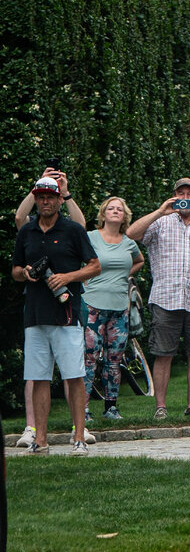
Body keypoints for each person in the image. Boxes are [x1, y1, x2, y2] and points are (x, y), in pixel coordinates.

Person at [12, 176, 101, 455]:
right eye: (40, 197)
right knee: (38, 378)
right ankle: (41, 439)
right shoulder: (26, 232)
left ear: (60, 199)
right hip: (35, 315)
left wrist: (68, 276)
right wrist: (24, 272)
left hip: (66, 313)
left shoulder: (73, 229)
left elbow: (95, 266)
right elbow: (14, 270)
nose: (45, 202)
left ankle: (78, 438)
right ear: (35, 199)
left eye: (50, 197)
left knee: (73, 375)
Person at [127, 178, 190, 420]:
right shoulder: (161, 222)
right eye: (180, 193)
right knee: (163, 353)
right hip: (165, 297)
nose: (185, 196)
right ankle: (160, 406)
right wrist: (160, 211)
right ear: (174, 196)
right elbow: (131, 234)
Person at [82, 197, 144, 420]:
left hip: (120, 308)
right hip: (93, 307)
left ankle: (111, 407)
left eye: (120, 209)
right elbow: (77, 262)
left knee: (114, 359)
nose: (116, 211)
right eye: (111, 208)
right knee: (90, 358)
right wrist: (84, 279)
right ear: (103, 213)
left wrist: (125, 277)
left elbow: (139, 261)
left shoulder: (128, 242)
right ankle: (84, 409)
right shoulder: (90, 237)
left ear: (124, 216)